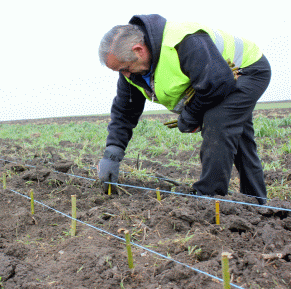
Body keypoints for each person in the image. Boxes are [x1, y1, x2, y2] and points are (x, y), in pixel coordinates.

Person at [97, 14, 271, 204]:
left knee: (218, 121)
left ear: (138, 50)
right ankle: (256, 202)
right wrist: (112, 153)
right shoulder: (131, 71)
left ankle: (208, 198)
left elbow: (217, 83)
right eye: (120, 71)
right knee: (240, 137)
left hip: (246, 69)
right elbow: (124, 111)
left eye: (126, 68)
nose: (125, 74)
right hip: (218, 81)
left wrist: (190, 116)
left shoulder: (184, 42)